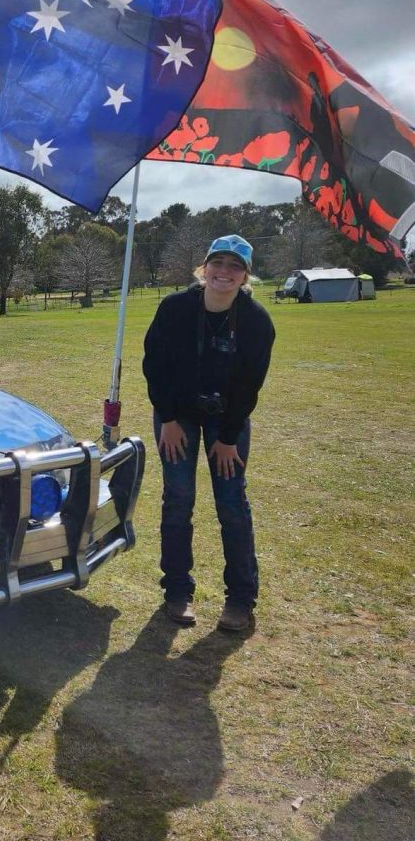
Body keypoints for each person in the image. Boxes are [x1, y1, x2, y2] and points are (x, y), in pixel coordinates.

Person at [142, 235, 275, 632]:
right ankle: (177, 592)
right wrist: (166, 419)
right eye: (218, 263)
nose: (224, 272)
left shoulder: (256, 321)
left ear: (245, 275)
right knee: (178, 500)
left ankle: (240, 599)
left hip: (227, 419)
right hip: (177, 415)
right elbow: (155, 366)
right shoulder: (174, 308)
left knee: (232, 503)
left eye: (235, 266)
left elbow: (251, 384)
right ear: (204, 268)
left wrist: (229, 437)